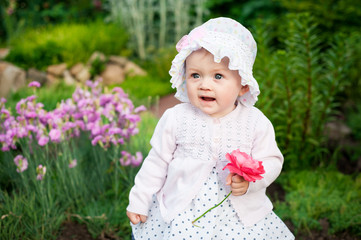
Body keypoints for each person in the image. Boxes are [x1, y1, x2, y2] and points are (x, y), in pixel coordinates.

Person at [126, 17, 294, 239]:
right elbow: (157, 162)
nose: (204, 84)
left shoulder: (255, 121)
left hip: (237, 214)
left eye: (218, 76)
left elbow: (272, 161)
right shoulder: (176, 118)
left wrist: (251, 182)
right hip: (184, 211)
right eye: (195, 75)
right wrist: (139, 199)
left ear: (243, 85)